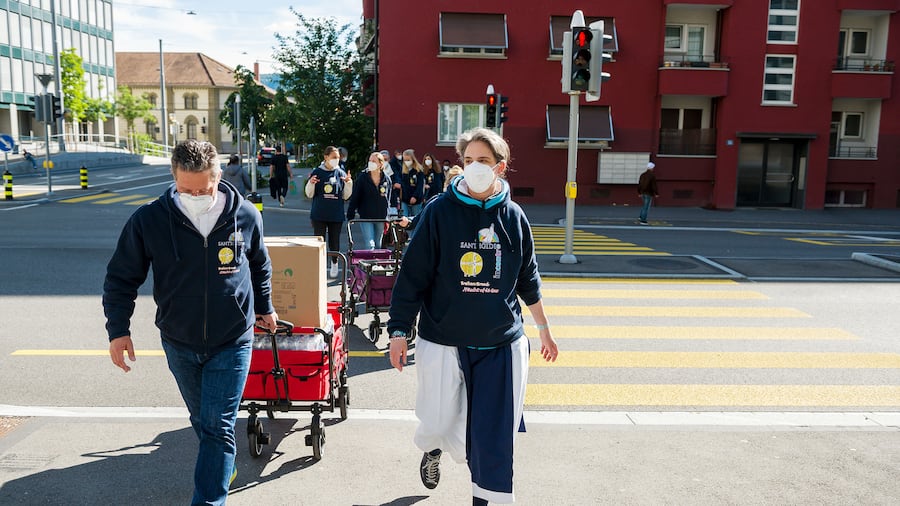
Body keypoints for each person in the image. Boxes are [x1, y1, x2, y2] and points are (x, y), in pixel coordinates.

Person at [387, 127, 559, 505]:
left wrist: (544, 329)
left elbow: (528, 278)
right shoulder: (439, 212)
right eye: (468, 160)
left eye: (483, 160)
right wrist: (398, 331)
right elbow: (412, 277)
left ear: (500, 167)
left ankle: (489, 498)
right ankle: (432, 449)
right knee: (438, 420)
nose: (474, 167)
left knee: (492, 437)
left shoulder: (513, 217)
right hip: (443, 339)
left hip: (500, 344)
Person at [102, 139, 278, 505]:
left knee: (218, 426)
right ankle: (222, 465)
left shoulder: (245, 215)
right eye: (187, 190)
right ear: (173, 178)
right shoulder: (149, 220)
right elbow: (121, 278)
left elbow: (260, 264)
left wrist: (265, 306)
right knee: (203, 421)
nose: (196, 196)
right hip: (179, 340)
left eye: (204, 189)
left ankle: (210, 495)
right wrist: (118, 330)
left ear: (218, 177)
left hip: (233, 339)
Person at [306, 145, 353, 277]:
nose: (336, 160)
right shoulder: (317, 172)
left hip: (336, 214)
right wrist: (311, 183)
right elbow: (309, 194)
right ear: (326, 157)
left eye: (337, 157)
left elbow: (345, 196)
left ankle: (334, 263)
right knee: (319, 241)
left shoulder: (341, 173)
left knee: (334, 241)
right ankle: (320, 264)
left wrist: (349, 183)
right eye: (333, 157)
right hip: (319, 214)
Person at [346, 151, 393, 250]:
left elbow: (387, 200)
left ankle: (377, 260)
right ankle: (371, 259)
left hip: (381, 216)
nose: (371, 163)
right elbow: (355, 196)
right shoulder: (362, 178)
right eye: (370, 160)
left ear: (380, 164)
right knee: (370, 244)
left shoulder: (386, 179)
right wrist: (351, 214)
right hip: (366, 216)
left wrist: (387, 217)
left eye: (374, 161)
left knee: (378, 244)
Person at [396, 148, 425, 218]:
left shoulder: (419, 171)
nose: (406, 162)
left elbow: (420, 186)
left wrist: (415, 196)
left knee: (415, 218)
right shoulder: (403, 171)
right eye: (405, 160)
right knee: (404, 218)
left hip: (416, 200)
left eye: (408, 160)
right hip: (405, 199)